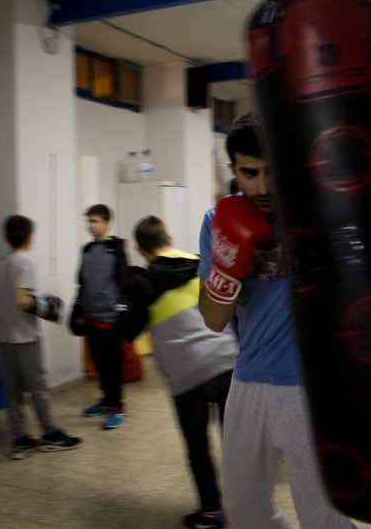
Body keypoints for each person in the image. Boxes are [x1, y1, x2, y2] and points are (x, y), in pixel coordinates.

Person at [197, 113, 357, 529]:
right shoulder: (217, 225)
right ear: (234, 169)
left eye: (272, 171)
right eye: (250, 173)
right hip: (247, 383)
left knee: (324, 517)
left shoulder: (318, 215)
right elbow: (213, 320)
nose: (263, 187)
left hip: (312, 387)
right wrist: (227, 268)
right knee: (247, 514)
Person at [120, 215, 237, 529]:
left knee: (198, 446)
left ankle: (212, 513)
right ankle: (251, 504)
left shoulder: (143, 283)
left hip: (187, 376)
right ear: (168, 237)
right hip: (227, 360)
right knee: (237, 442)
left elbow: (127, 331)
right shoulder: (201, 261)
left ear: (141, 250)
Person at [0, 215, 82, 459]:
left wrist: (5, 316)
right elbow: (21, 299)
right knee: (38, 387)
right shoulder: (25, 263)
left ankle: (20, 439)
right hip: (25, 337)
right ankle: (49, 434)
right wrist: (44, 305)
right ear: (29, 238)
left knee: (13, 390)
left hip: (4, 337)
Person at [70, 204, 131, 430]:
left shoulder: (116, 249)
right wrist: (78, 308)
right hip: (91, 316)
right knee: (98, 362)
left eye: (94, 221)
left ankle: (117, 407)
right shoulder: (86, 250)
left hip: (110, 317)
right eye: (89, 221)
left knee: (112, 364)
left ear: (107, 223)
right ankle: (106, 400)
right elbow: (82, 281)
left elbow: (124, 281)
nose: (90, 225)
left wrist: (123, 311)